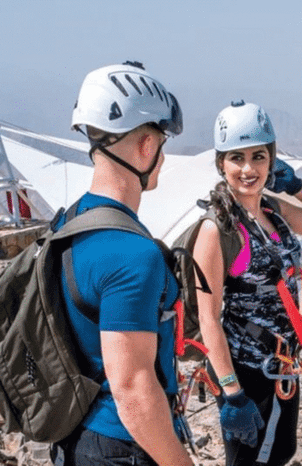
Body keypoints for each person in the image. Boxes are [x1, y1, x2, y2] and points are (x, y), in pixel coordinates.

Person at [50, 61, 194, 466]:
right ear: (147, 146)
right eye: (161, 145)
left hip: (74, 435)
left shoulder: (67, 221)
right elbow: (131, 387)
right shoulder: (135, 255)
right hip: (122, 447)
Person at [192, 101, 302, 466]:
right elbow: (208, 319)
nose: (249, 169)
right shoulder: (217, 229)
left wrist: (297, 188)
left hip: (283, 364)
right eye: (237, 158)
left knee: (280, 454)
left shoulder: (273, 214)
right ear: (221, 164)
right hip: (245, 370)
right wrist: (232, 394)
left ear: (272, 160)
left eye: (259, 157)